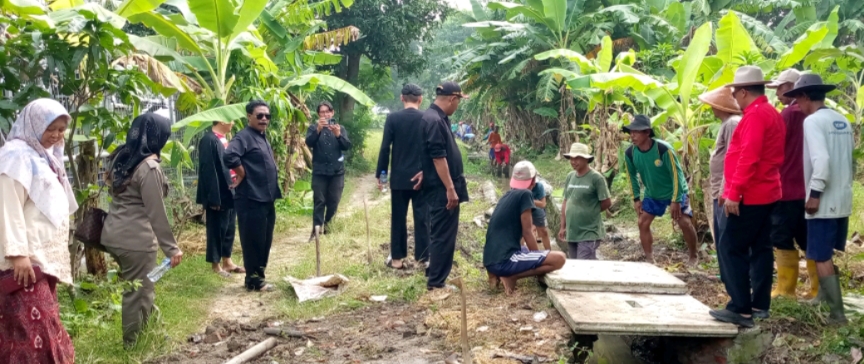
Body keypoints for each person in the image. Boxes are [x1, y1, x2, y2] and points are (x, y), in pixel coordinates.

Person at [0, 99, 77, 363]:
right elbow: (7, 206)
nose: (56, 135)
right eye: (50, 128)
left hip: (40, 260)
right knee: (35, 332)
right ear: (34, 124)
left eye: (61, 129)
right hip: (22, 264)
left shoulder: (44, 157)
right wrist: (18, 254)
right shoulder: (15, 156)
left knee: (40, 328)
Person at [709, 66, 785, 328]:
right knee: (761, 248)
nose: (734, 98)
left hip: (751, 194)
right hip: (768, 191)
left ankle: (740, 309)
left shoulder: (754, 116)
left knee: (731, 247)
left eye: (735, 93)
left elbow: (748, 157)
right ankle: (759, 304)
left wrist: (733, 192)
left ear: (743, 92)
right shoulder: (771, 113)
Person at [102, 113, 184, 346]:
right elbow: (156, 211)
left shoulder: (122, 156)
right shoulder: (148, 167)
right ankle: (133, 345)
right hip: (135, 239)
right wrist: (171, 248)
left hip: (113, 233)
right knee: (138, 292)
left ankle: (154, 333)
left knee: (142, 286)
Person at [785, 74, 852, 324]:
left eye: (797, 99)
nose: (798, 106)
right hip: (842, 196)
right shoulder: (841, 120)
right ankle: (823, 298)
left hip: (823, 199)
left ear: (804, 96)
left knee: (821, 255)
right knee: (824, 252)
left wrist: (814, 193)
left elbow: (821, 161)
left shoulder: (812, 122)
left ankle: (837, 314)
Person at [766, 69, 818, 300]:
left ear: (792, 87)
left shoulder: (788, 115)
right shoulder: (813, 114)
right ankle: (817, 288)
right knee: (808, 239)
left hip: (786, 187)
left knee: (781, 236)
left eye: (780, 87)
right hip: (809, 189)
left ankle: (786, 290)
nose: (777, 93)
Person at [621, 115, 698, 265]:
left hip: (675, 191)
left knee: (684, 222)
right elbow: (631, 176)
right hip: (653, 193)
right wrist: (636, 199)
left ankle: (693, 256)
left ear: (647, 133)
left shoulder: (663, 149)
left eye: (636, 132)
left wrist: (676, 200)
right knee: (642, 222)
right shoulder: (630, 153)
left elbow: (677, 175)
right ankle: (650, 259)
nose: (632, 135)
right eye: (631, 132)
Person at [225, 100, 282, 292]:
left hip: (266, 198)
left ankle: (259, 277)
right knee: (253, 241)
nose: (264, 119)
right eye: (259, 115)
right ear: (249, 116)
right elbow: (229, 156)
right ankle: (253, 281)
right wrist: (242, 174)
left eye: (267, 116)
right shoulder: (244, 137)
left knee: (265, 240)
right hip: (250, 198)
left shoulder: (261, 136)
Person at [484, 161, 566, 294]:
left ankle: (495, 274)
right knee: (559, 258)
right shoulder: (526, 195)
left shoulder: (507, 195)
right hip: (504, 260)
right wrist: (538, 258)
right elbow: (527, 233)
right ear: (533, 180)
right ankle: (512, 275)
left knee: (524, 248)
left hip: (490, 260)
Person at [421, 81, 470, 291]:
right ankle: (437, 282)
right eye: (458, 100)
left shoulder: (437, 118)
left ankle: (435, 274)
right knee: (444, 234)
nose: (458, 105)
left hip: (441, 183)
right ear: (452, 98)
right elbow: (438, 157)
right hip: (442, 188)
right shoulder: (434, 120)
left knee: (441, 231)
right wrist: (450, 188)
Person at [376, 84, 429, 269]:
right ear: (420, 99)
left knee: (398, 218)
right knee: (422, 218)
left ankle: (397, 260)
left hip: (398, 179)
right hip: (422, 178)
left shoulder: (393, 118)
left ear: (402, 98)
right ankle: (422, 259)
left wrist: (382, 175)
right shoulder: (426, 118)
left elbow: (385, 149)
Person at [197, 120, 244, 277]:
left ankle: (227, 261)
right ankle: (216, 265)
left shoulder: (223, 138)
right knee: (216, 228)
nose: (232, 122)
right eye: (230, 119)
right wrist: (212, 197)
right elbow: (208, 171)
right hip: (218, 192)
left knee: (229, 227)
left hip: (230, 189)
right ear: (221, 120)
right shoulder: (209, 140)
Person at [697, 86, 741, 245]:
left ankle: (730, 270)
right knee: (722, 238)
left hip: (725, 192)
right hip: (720, 191)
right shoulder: (727, 123)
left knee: (727, 239)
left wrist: (726, 190)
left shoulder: (732, 124)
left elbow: (733, 158)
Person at [305, 101, 352, 237]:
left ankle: (329, 229)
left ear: (332, 113)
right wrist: (318, 130)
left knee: (334, 201)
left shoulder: (340, 128)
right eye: (322, 112)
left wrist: (338, 135)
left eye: (327, 112)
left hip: (337, 172)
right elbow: (309, 143)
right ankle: (316, 231)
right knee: (319, 201)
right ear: (318, 114)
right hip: (319, 172)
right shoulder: (313, 128)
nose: (325, 114)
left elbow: (346, 146)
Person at [558, 143, 611, 260]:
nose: (573, 161)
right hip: (572, 232)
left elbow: (606, 202)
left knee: (584, 266)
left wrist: (589, 210)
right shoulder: (570, 176)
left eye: (577, 158)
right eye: (571, 158)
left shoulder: (596, 178)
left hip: (589, 232)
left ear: (586, 159)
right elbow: (566, 202)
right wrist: (563, 226)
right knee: (575, 264)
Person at [526, 170, 552, 251]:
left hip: (537, 209)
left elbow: (543, 204)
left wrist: (529, 200)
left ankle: (549, 253)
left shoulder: (539, 186)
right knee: (523, 233)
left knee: (544, 232)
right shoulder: (519, 186)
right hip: (524, 209)